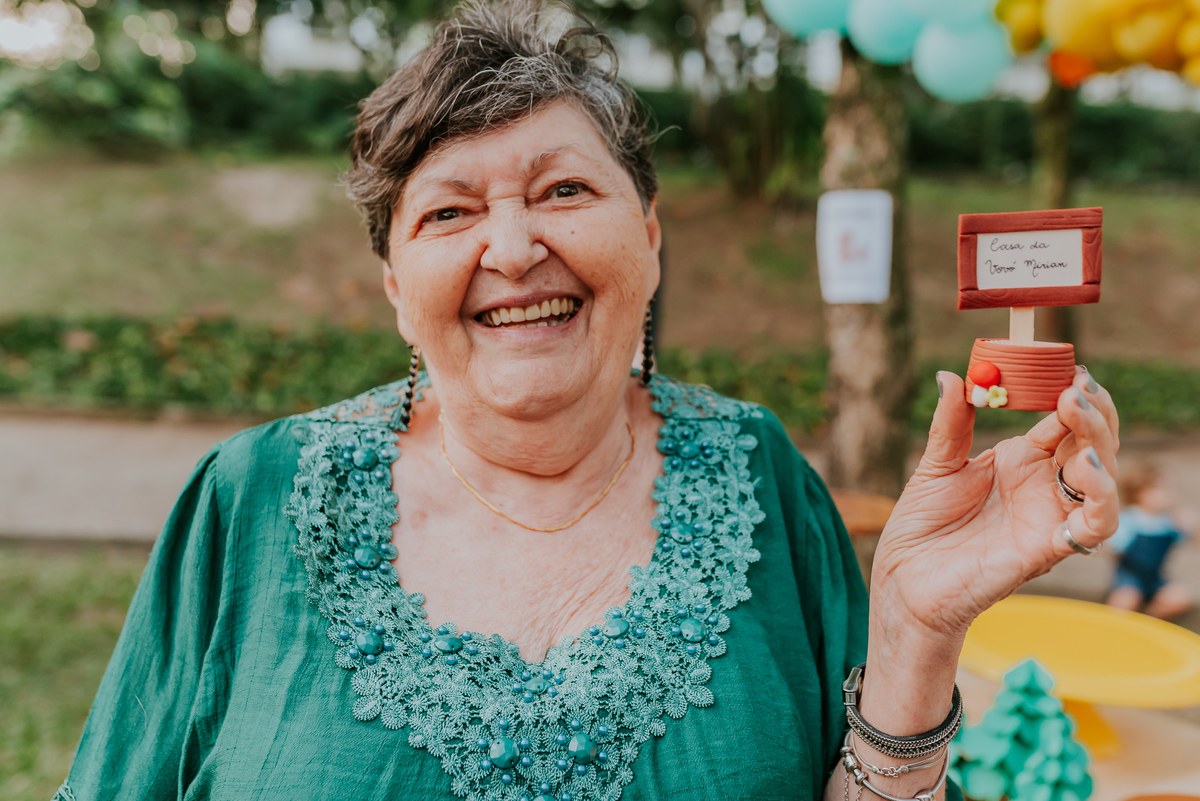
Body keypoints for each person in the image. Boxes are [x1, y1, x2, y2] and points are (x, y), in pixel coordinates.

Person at [54, 3, 1121, 800]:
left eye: (564, 190)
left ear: (648, 240)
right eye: (449, 213)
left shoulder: (762, 475)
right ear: (394, 286)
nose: (515, 247)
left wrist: (919, 635)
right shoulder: (247, 499)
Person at [1106, 461, 1194, 619]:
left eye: (1168, 488)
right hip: (1130, 578)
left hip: (1156, 579)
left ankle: (1148, 619)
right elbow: (1112, 549)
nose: (1168, 494)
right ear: (1139, 493)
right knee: (1124, 602)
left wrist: (1192, 526)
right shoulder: (1130, 520)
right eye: (1161, 489)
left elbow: (1193, 541)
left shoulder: (1170, 521)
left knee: (1180, 597)